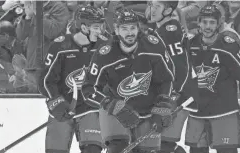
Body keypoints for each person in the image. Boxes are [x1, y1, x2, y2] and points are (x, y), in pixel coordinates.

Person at [82, 8, 177, 153]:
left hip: (148, 110)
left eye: (133, 28)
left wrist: (164, 103)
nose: (130, 33)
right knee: (117, 148)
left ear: (138, 28)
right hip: (116, 111)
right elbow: (88, 88)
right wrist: (112, 105)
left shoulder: (154, 46)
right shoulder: (104, 53)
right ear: (116, 29)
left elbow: (167, 79)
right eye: (124, 28)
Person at [185, 5, 240, 153]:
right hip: (198, 113)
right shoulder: (190, 45)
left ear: (218, 24)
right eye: (204, 22)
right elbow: (180, 74)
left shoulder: (228, 45)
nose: (208, 26)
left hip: (224, 112)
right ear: (198, 22)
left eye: (212, 22)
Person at [38, 5, 109, 153]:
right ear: (83, 27)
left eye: (101, 26)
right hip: (63, 107)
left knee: (92, 149)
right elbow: (45, 80)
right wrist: (55, 101)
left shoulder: (105, 46)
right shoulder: (60, 45)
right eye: (96, 27)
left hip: (91, 108)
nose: (100, 31)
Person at [148, 1, 199, 152]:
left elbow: (181, 67)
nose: (152, 10)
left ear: (168, 10)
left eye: (158, 7)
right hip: (170, 94)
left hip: (180, 95)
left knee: (164, 145)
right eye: (152, 5)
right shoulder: (160, 30)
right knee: (158, 144)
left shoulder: (170, 30)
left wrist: (172, 96)